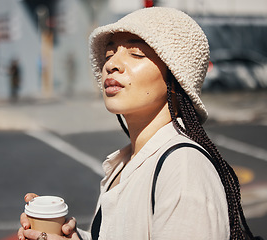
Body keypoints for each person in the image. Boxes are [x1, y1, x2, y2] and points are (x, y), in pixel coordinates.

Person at [18, 7, 256, 240]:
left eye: (136, 53)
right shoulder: (128, 162)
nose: (111, 64)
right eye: (110, 54)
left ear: (176, 77)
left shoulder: (183, 168)